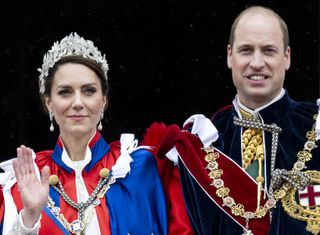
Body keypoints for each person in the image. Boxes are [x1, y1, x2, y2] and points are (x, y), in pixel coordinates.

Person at [143, 5, 320, 235]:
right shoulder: (199, 144)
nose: (257, 63)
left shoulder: (315, 127)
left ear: (286, 58)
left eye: (268, 51)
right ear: (230, 56)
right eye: (246, 50)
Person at [0, 32, 168, 235]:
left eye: (88, 91)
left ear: (103, 100)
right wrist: (30, 217)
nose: (78, 103)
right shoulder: (26, 180)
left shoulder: (137, 168)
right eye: (65, 92)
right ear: (49, 102)